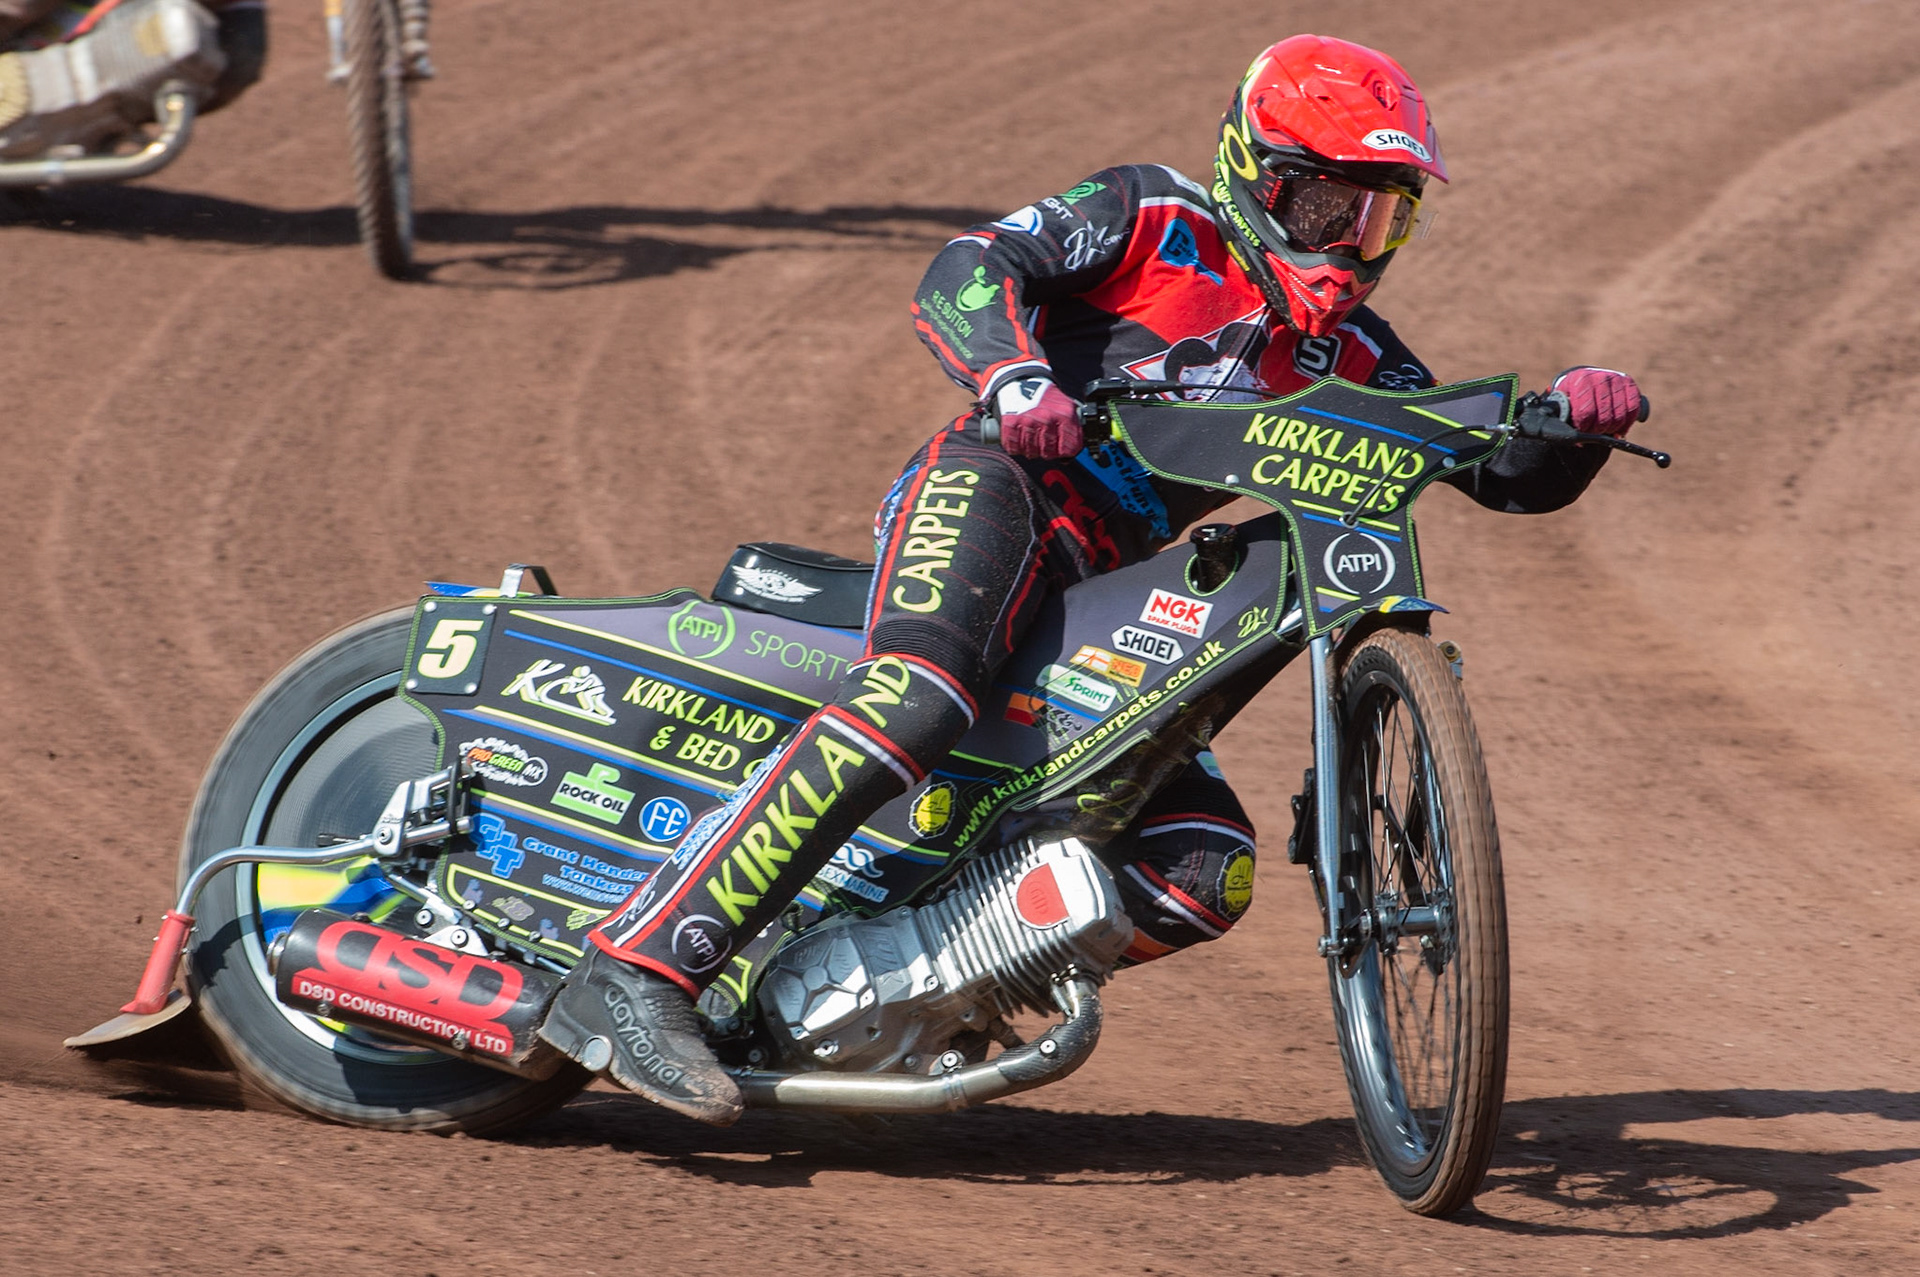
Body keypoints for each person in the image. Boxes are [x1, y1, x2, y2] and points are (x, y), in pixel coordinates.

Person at [536, 33, 1644, 1124]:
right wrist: (1017, 377)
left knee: (1203, 869)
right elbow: (970, 267)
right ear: (1258, 179)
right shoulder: (1154, 216)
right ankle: (637, 969)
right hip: (994, 489)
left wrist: (1568, 425)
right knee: (919, 695)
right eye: (1328, 211)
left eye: (1384, 217)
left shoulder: (1356, 359)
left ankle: (893, 986)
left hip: (1106, 580)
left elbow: (1490, 472)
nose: (1352, 249)